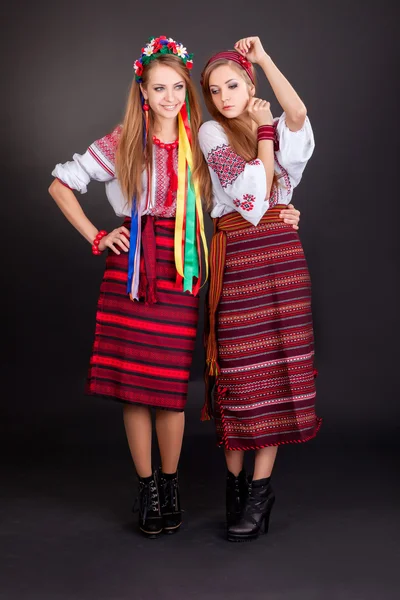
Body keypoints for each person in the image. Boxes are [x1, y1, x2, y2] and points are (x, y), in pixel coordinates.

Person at [48, 36, 212, 539]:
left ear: (187, 88)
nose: (169, 97)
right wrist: (98, 235)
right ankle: (148, 489)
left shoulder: (204, 142)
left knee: (169, 389)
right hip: (133, 270)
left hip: (180, 268)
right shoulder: (124, 140)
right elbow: (61, 184)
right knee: (135, 390)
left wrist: (282, 207)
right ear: (143, 90)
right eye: (159, 88)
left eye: (177, 87)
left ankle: (171, 481)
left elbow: (245, 187)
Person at [199, 36, 321, 542]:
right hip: (242, 266)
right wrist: (265, 133)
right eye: (214, 89)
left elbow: (299, 113)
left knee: (275, 377)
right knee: (242, 377)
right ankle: (233, 484)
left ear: (250, 85)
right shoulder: (211, 132)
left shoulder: (270, 120)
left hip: (284, 266)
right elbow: (250, 199)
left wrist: (265, 58)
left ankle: (259, 492)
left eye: (234, 84)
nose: (225, 96)